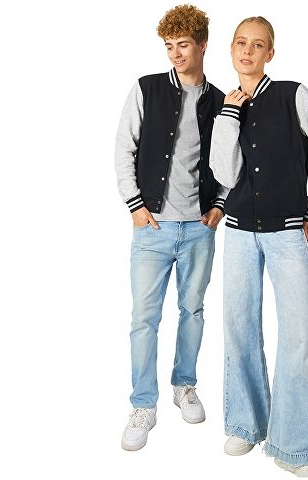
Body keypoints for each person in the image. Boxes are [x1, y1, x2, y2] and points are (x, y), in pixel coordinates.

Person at [209, 16, 308, 477]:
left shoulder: (293, 95)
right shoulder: (225, 105)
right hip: (238, 233)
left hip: (287, 233)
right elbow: (224, 174)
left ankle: (299, 449)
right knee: (239, 328)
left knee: (298, 336)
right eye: (241, 43)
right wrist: (229, 116)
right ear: (231, 50)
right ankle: (246, 424)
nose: (248, 51)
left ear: (270, 53)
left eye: (258, 44)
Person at [114, 4, 226, 451]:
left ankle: (185, 384)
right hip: (153, 227)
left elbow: (232, 160)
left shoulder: (221, 101)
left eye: (183, 45)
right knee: (144, 318)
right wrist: (135, 205)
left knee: (193, 311)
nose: (175, 54)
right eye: (168, 46)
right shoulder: (147, 89)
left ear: (202, 45)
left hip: (199, 227)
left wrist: (219, 205)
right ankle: (143, 404)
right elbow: (124, 147)